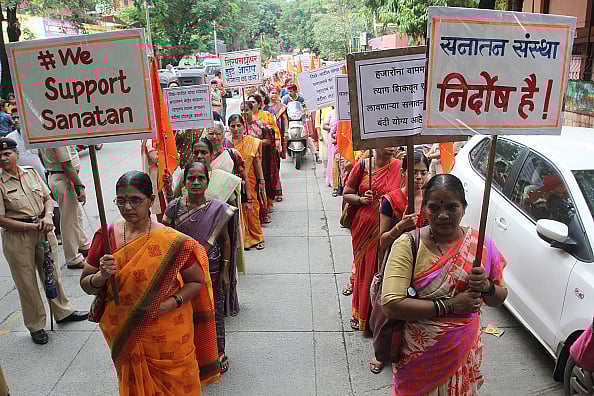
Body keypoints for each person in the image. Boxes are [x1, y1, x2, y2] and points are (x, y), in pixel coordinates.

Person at [80, 170, 220, 395]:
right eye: (121, 201)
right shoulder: (106, 236)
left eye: (135, 200)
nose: (127, 208)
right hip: (126, 329)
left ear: (151, 201)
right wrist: (101, 276)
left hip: (169, 332)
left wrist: (169, 304)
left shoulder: (173, 241)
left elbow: (197, 282)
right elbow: (86, 284)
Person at [382, 174, 507, 395]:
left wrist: (486, 286)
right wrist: (450, 306)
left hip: (462, 352)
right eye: (433, 207)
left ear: (464, 208)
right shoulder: (408, 244)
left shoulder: (481, 245)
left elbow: (499, 298)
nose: (443, 215)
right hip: (419, 356)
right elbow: (391, 304)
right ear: (424, 209)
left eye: (452, 207)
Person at [0, 138, 88, 345]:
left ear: (16, 154)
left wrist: (48, 217)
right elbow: (1, 219)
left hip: (43, 229)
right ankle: (36, 325)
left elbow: (47, 198)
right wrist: (33, 226)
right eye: (0, 156)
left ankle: (63, 312)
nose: (4, 158)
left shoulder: (30, 172)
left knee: (52, 274)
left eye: (7, 154)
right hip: (18, 236)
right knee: (26, 282)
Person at [163, 161, 240, 374]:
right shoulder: (174, 207)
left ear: (207, 181)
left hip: (211, 269)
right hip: (181, 270)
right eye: (191, 178)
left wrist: (225, 271)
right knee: (185, 312)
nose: (196, 182)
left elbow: (225, 241)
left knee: (212, 313)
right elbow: (165, 239)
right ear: (185, 182)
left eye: (201, 178)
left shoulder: (217, 209)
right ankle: (189, 353)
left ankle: (217, 353)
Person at [342, 147, 401, 373]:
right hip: (364, 224)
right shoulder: (363, 165)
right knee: (366, 271)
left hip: (389, 226)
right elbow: (346, 192)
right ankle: (362, 314)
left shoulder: (399, 166)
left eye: (394, 143)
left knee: (382, 272)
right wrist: (359, 198)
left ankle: (378, 318)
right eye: (386, 142)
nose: (392, 147)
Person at [39, 145, 90, 269]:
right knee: (70, 219)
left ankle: (82, 244)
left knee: (76, 214)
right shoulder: (58, 137)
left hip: (58, 176)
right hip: (63, 178)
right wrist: (79, 186)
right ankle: (73, 258)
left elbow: (41, 156)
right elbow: (67, 165)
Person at [379, 150, 430, 254]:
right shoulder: (390, 200)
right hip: (398, 258)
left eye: (423, 173)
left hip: (425, 259)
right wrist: (401, 226)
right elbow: (383, 242)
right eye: (414, 172)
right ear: (403, 172)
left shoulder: (430, 199)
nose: (419, 177)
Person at [227, 114, 266, 250]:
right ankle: (244, 239)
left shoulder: (251, 142)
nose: (236, 129)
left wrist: (261, 180)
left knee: (252, 207)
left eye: (239, 125)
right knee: (238, 209)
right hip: (232, 180)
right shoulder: (226, 143)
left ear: (244, 126)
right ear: (229, 127)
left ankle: (257, 237)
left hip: (250, 179)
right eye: (233, 126)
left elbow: (256, 161)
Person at [242, 100, 278, 224]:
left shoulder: (261, 124)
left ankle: (265, 212)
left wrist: (253, 142)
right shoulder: (239, 125)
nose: (243, 112)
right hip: (244, 162)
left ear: (252, 110)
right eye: (242, 110)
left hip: (260, 160)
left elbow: (268, 140)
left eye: (246, 110)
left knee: (261, 185)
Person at [140, 139, 165, 222]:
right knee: (161, 205)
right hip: (156, 178)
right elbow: (155, 157)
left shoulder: (149, 139)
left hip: (157, 176)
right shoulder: (150, 140)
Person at [269, 87, 289, 161]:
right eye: (272, 93)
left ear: (278, 95)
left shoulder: (281, 106)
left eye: (276, 93)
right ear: (269, 94)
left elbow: (284, 119)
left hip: (277, 131)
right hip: (267, 131)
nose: (274, 95)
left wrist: (286, 131)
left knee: (277, 151)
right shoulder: (264, 106)